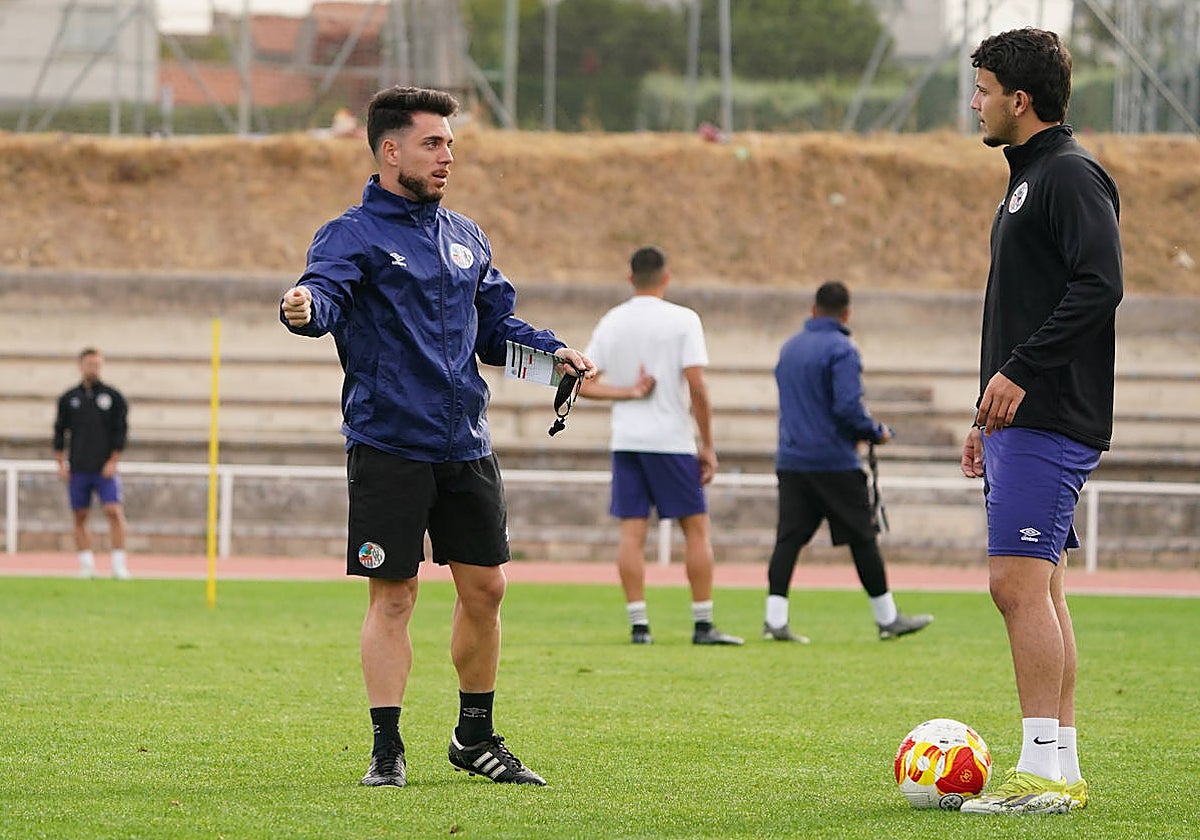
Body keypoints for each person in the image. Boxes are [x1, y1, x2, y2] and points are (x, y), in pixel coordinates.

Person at [280, 86, 594, 789]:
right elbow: (321, 296)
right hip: (389, 442)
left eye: (450, 143)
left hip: (466, 444)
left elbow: (494, 329)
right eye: (433, 143)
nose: (448, 154)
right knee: (394, 597)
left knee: (487, 589)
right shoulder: (350, 234)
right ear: (391, 151)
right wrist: (301, 308)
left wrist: (555, 357)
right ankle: (386, 748)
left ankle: (473, 738)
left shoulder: (466, 235)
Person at [957, 29, 1122, 816]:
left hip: (1053, 414)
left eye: (983, 88)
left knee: (1014, 586)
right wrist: (985, 412)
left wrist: (1019, 374)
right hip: (1023, 418)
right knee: (1043, 590)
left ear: (1020, 100)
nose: (975, 102)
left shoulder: (1068, 174)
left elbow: (1100, 286)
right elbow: (1023, 308)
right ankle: (1061, 766)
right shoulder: (1030, 178)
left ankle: (1042, 775)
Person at [580, 245, 743, 646]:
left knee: (631, 534)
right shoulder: (683, 320)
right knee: (696, 531)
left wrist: (630, 393)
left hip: (628, 441)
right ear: (666, 278)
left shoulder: (613, 321)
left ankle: (639, 626)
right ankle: (702, 623)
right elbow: (697, 386)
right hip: (671, 440)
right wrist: (708, 444)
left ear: (630, 279)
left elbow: (583, 383)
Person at [763, 281, 931, 644]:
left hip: (792, 459)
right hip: (833, 461)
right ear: (846, 313)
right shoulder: (842, 349)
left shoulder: (789, 348)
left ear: (813, 310)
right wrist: (875, 432)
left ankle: (774, 620)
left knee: (788, 538)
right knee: (862, 537)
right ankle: (887, 618)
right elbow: (846, 407)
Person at [53, 347, 130, 580]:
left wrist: (113, 460)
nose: (92, 368)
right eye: (89, 364)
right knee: (79, 515)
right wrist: (60, 463)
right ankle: (86, 564)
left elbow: (121, 431)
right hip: (78, 466)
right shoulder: (69, 398)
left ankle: (118, 564)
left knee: (113, 510)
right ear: (80, 365)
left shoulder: (113, 397)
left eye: (96, 364)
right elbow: (59, 432)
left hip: (104, 467)